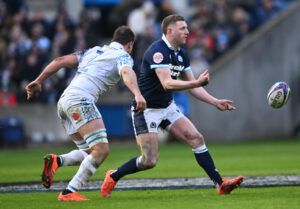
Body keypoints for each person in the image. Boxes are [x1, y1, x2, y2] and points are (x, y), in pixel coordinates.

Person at [100, 15, 243, 197]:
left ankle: (220, 184)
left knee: (196, 138)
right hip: (146, 109)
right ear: (169, 31)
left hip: (167, 107)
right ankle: (113, 175)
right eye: (183, 28)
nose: (188, 32)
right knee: (149, 161)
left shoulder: (181, 54)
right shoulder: (157, 51)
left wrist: (215, 101)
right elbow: (168, 83)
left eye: (186, 28)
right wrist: (196, 83)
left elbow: (193, 86)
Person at [25, 26, 147, 201]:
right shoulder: (123, 56)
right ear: (130, 44)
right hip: (80, 100)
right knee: (102, 150)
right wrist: (137, 94)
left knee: (91, 152)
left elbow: (59, 60)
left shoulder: (92, 51)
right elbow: (126, 71)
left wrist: (38, 80)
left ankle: (57, 161)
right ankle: (69, 192)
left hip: (64, 101)